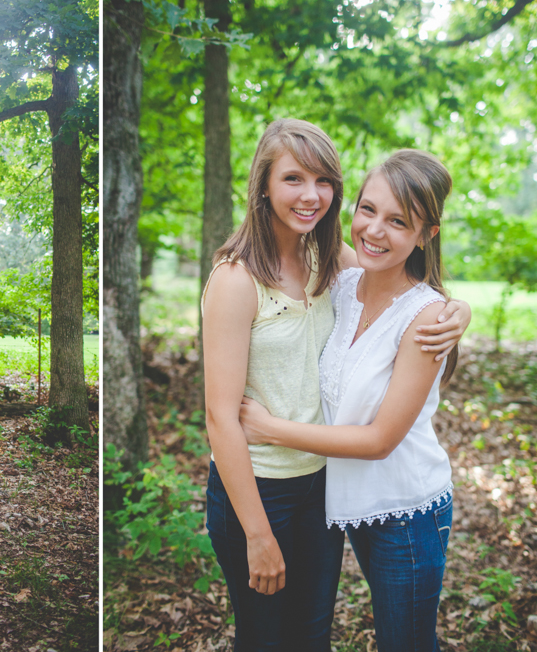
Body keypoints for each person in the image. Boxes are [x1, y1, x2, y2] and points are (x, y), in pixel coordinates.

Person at [201, 120, 468, 651]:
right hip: (262, 490)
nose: (310, 195)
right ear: (263, 185)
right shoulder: (239, 280)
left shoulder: (327, 262)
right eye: (293, 178)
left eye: (323, 181)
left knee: (310, 636)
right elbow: (219, 419)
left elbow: (408, 289)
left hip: (323, 488)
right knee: (264, 638)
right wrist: (257, 533)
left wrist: (457, 310)